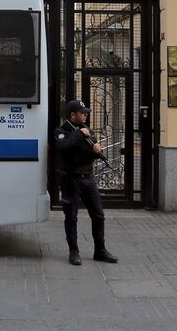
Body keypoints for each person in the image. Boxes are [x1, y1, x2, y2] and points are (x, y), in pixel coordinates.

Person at [54, 99, 118, 266]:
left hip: (88, 179)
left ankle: (100, 250)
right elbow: (64, 147)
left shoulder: (87, 131)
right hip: (71, 180)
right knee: (71, 217)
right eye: (82, 113)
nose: (85, 115)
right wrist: (80, 134)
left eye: (86, 113)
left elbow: (88, 153)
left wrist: (97, 151)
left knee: (98, 215)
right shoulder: (61, 131)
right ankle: (74, 252)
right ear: (72, 114)